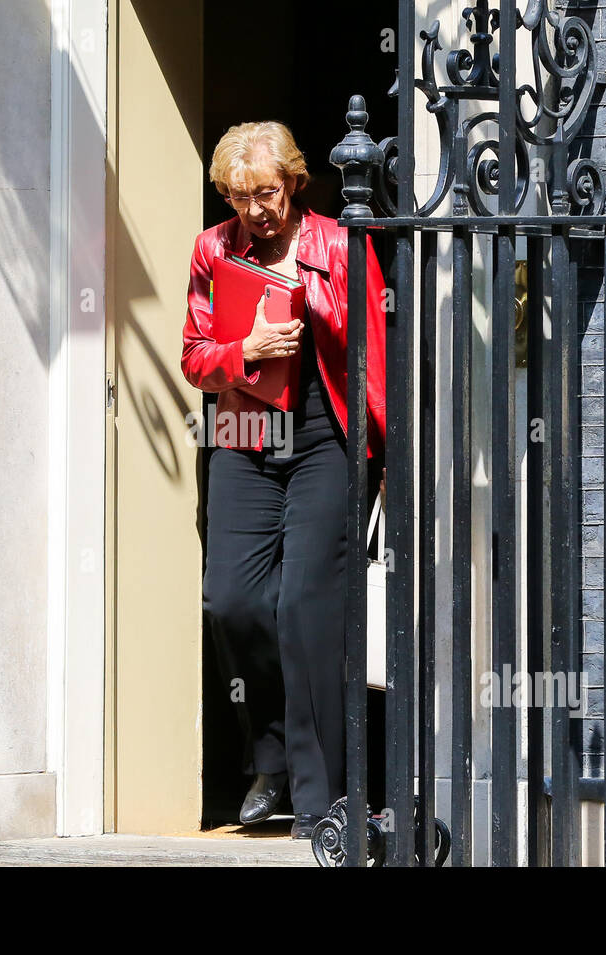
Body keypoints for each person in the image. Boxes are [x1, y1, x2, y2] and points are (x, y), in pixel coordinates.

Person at [181, 120, 387, 839]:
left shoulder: (339, 241)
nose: (255, 211)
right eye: (240, 197)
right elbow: (194, 357)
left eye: (265, 193)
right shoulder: (214, 248)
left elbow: (372, 356)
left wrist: (382, 456)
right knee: (231, 601)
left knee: (304, 606)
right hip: (244, 431)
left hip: (324, 431)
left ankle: (319, 795)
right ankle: (269, 755)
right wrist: (246, 348)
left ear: (294, 182)